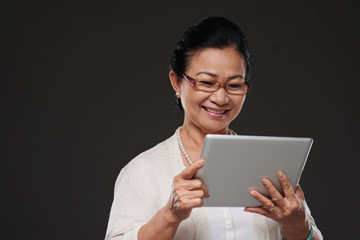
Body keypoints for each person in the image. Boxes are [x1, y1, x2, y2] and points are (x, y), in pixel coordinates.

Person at [105, 16, 323, 240]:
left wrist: (298, 225)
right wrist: (169, 215)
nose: (220, 98)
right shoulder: (143, 171)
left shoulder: (269, 166)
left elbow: (305, 232)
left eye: (235, 85)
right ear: (177, 83)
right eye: (207, 82)